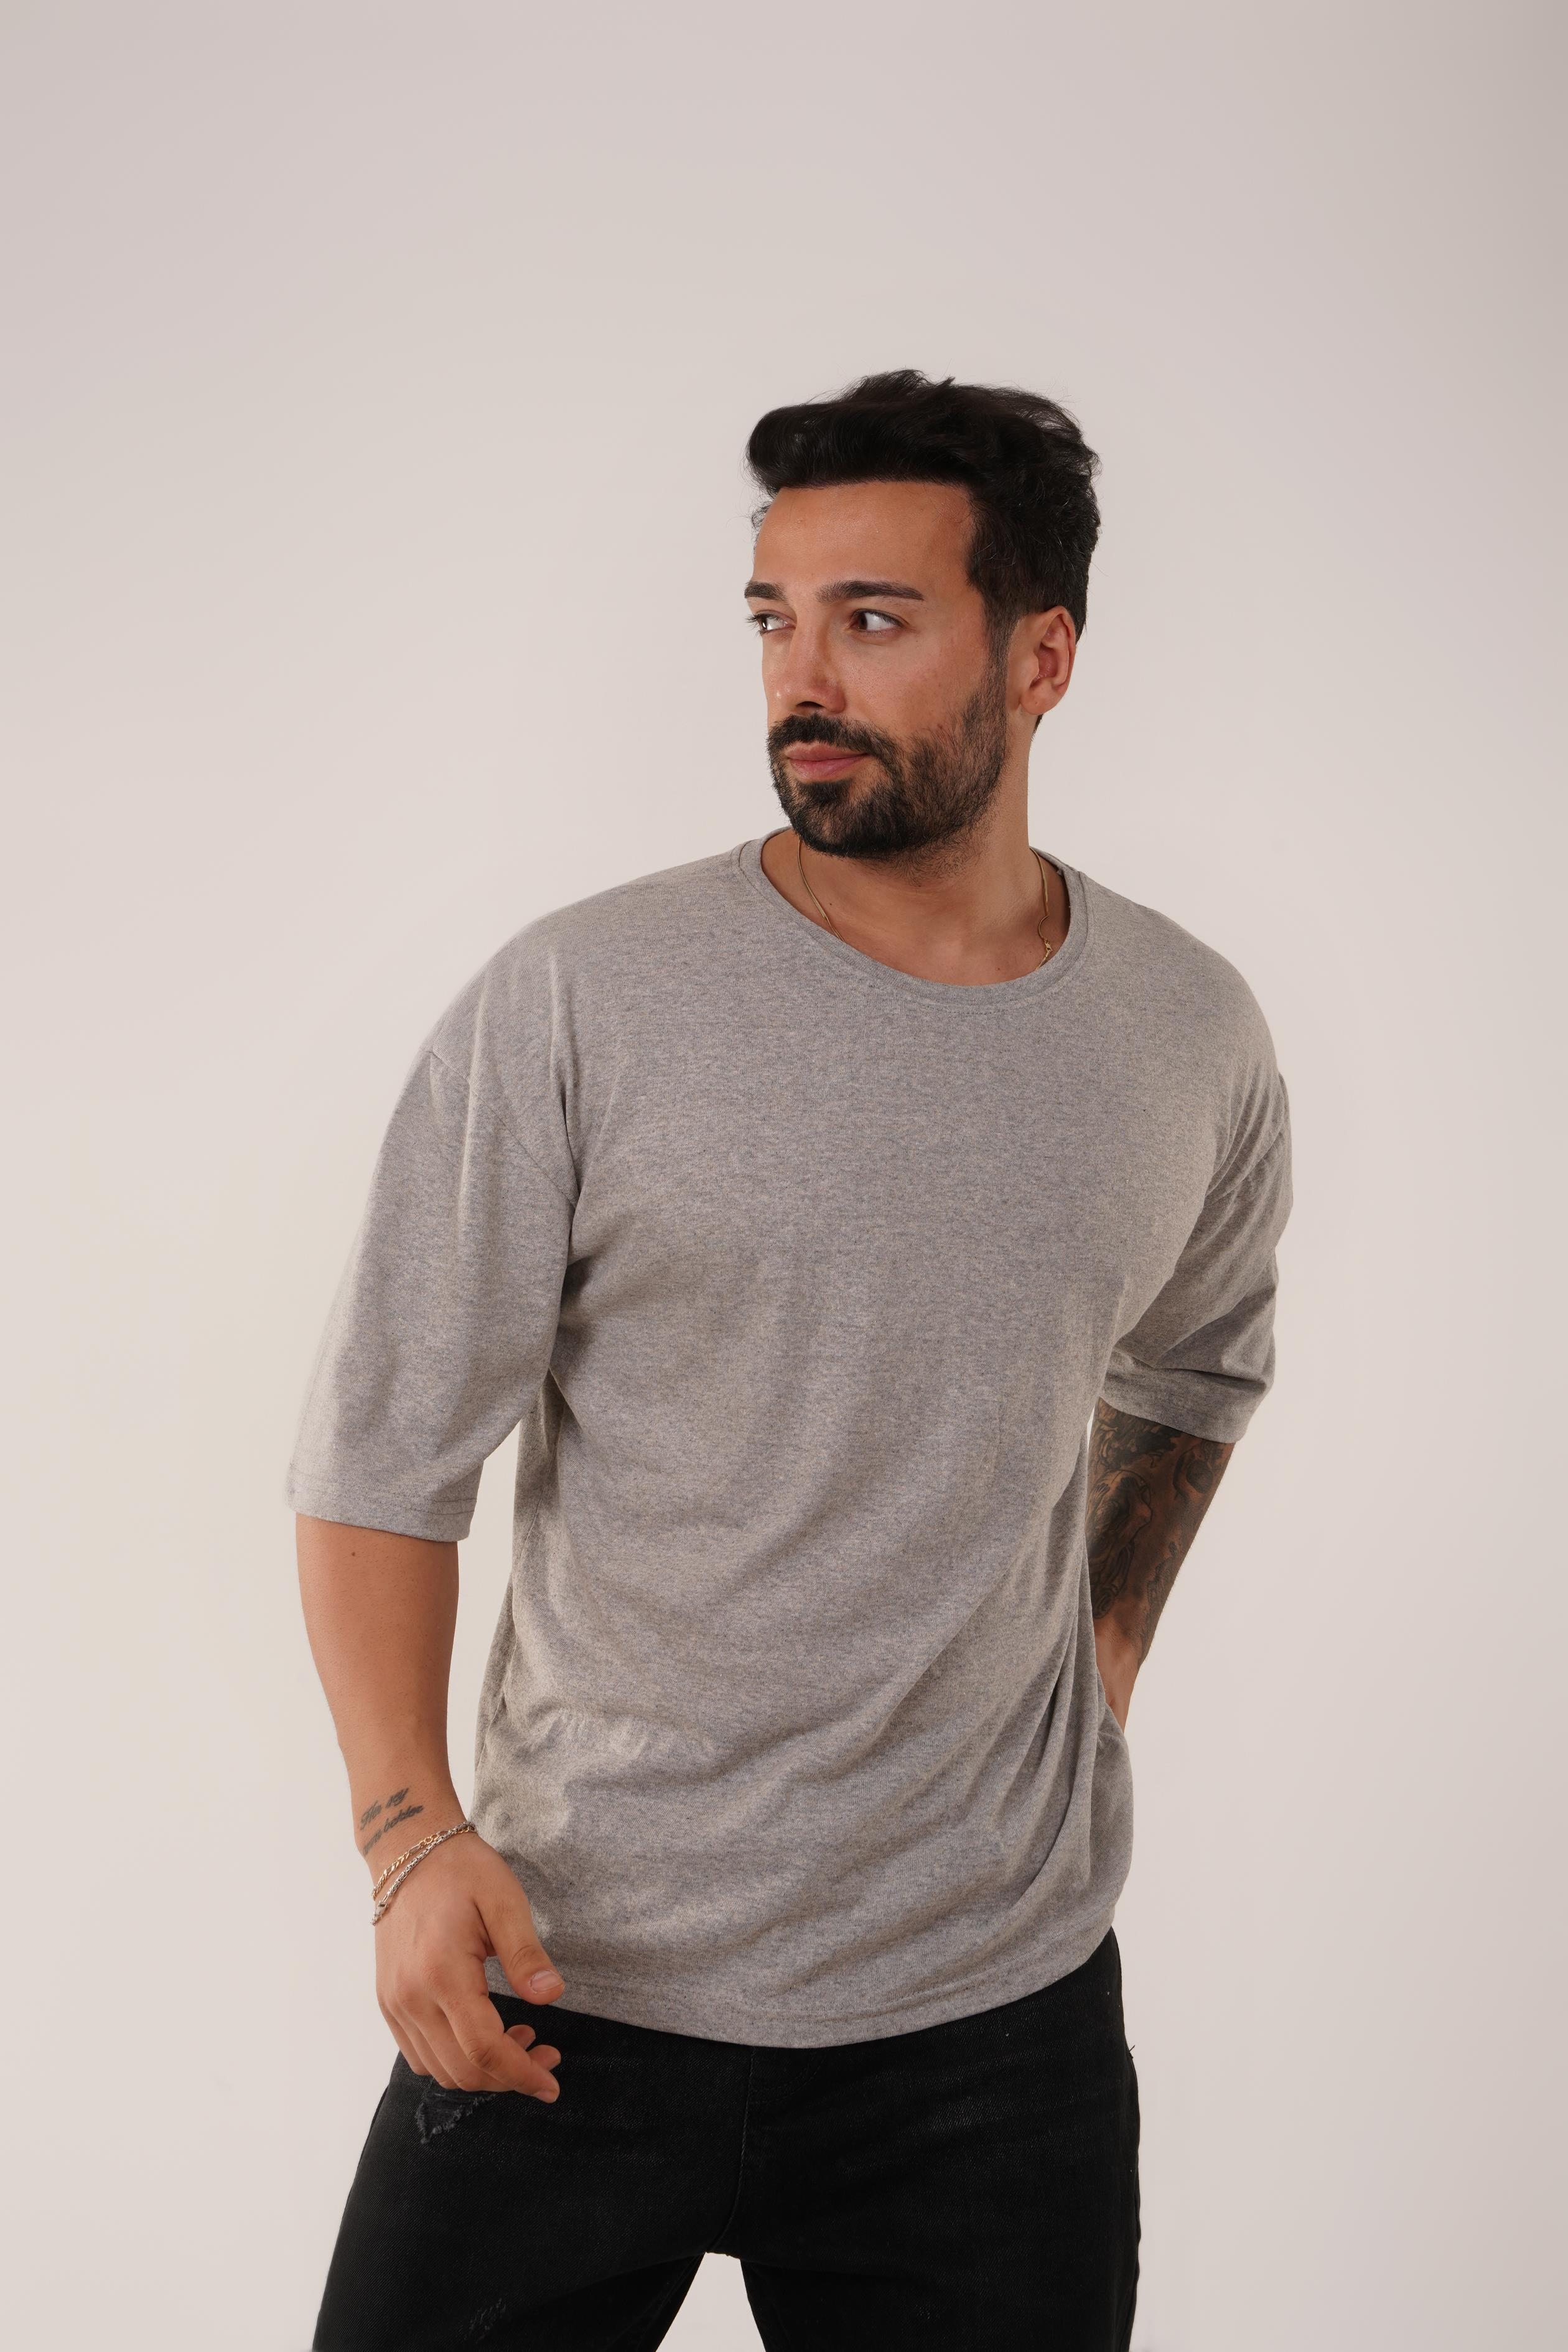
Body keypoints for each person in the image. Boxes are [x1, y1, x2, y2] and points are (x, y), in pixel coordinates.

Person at [288, 368, 1292, 2351]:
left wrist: (1089, 1667)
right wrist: (408, 1843)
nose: (801, 679)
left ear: (1043, 657)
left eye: (875, 619)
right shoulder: (583, 998)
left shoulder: (1189, 1034)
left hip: (989, 2035)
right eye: (775, 617)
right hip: (567, 1983)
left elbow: (1196, 1369)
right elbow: (380, 1454)